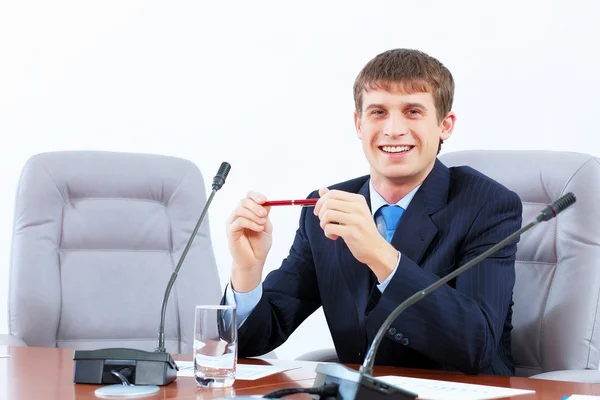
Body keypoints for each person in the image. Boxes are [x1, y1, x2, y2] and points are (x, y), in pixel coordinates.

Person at [224, 48, 522, 375]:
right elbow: (254, 340)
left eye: (412, 112)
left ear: (445, 125)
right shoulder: (325, 209)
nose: (393, 129)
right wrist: (247, 272)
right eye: (378, 112)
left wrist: (380, 255)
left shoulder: (487, 205)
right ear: (358, 123)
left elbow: (475, 345)